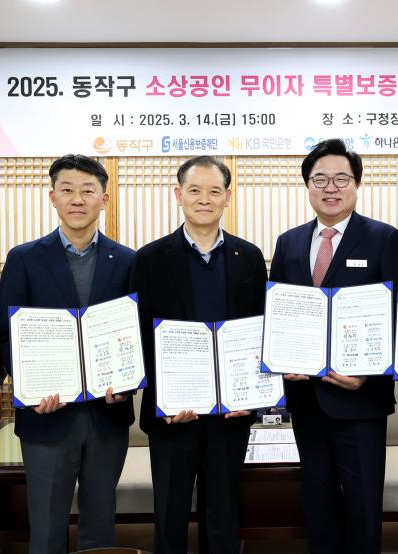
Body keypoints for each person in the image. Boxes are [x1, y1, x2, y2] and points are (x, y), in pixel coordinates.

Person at [268, 138, 398, 554]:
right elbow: (279, 312)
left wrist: (368, 374)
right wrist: (281, 359)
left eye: (341, 179)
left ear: (356, 184)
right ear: (307, 186)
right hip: (306, 398)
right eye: (320, 179)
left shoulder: (384, 238)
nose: (330, 188)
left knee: (363, 503)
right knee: (317, 500)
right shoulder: (289, 242)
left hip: (360, 399)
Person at [0, 154, 136, 554]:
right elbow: (5, 332)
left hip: (107, 414)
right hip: (46, 416)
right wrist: (31, 387)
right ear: (52, 197)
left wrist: (127, 382)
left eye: (88, 190)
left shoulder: (127, 260)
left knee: (100, 524)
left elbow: (135, 332)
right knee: (46, 527)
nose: (77, 199)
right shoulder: (24, 258)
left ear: (104, 199)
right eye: (67, 190)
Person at [135, 155, 267, 554]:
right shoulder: (150, 258)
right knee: (170, 517)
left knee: (223, 517)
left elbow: (261, 332)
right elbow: (140, 335)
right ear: (178, 195)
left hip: (230, 416)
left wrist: (251, 398)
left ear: (228, 196)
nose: (204, 199)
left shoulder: (249, 256)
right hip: (173, 415)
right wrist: (163, 398)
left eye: (214, 191)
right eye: (194, 190)